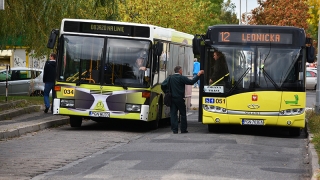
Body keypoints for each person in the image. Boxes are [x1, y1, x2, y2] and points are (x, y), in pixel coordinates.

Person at [161, 66, 204, 134]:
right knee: (183, 114)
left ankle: (174, 130)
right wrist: (198, 75)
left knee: (173, 114)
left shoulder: (170, 77)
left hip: (172, 98)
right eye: (182, 70)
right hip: (180, 98)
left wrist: (167, 92)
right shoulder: (182, 78)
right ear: (180, 71)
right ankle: (183, 129)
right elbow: (191, 82)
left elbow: (163, 85)